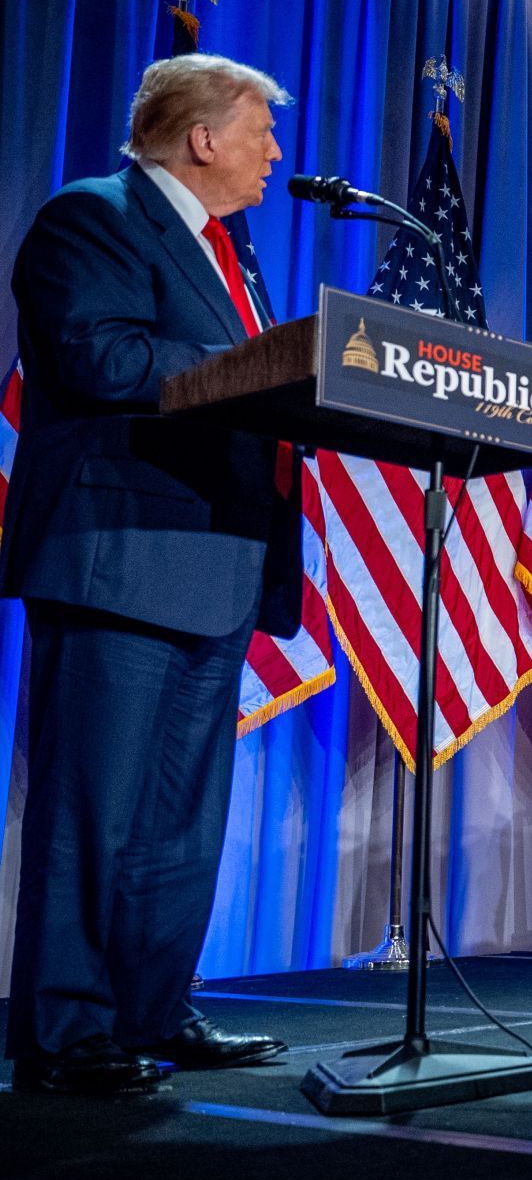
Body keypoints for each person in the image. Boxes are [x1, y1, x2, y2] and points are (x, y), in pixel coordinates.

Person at [3, 53, 303, 1095]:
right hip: (119, 553)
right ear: (202, 137)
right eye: (260, 130)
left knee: (182, 815)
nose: (275, 151)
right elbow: (97, 354)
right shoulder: (91, 216)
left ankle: (150, 1005)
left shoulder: (230, 252)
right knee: (96, 807)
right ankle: (60, 1030)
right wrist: (267, 370)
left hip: (216, 558)